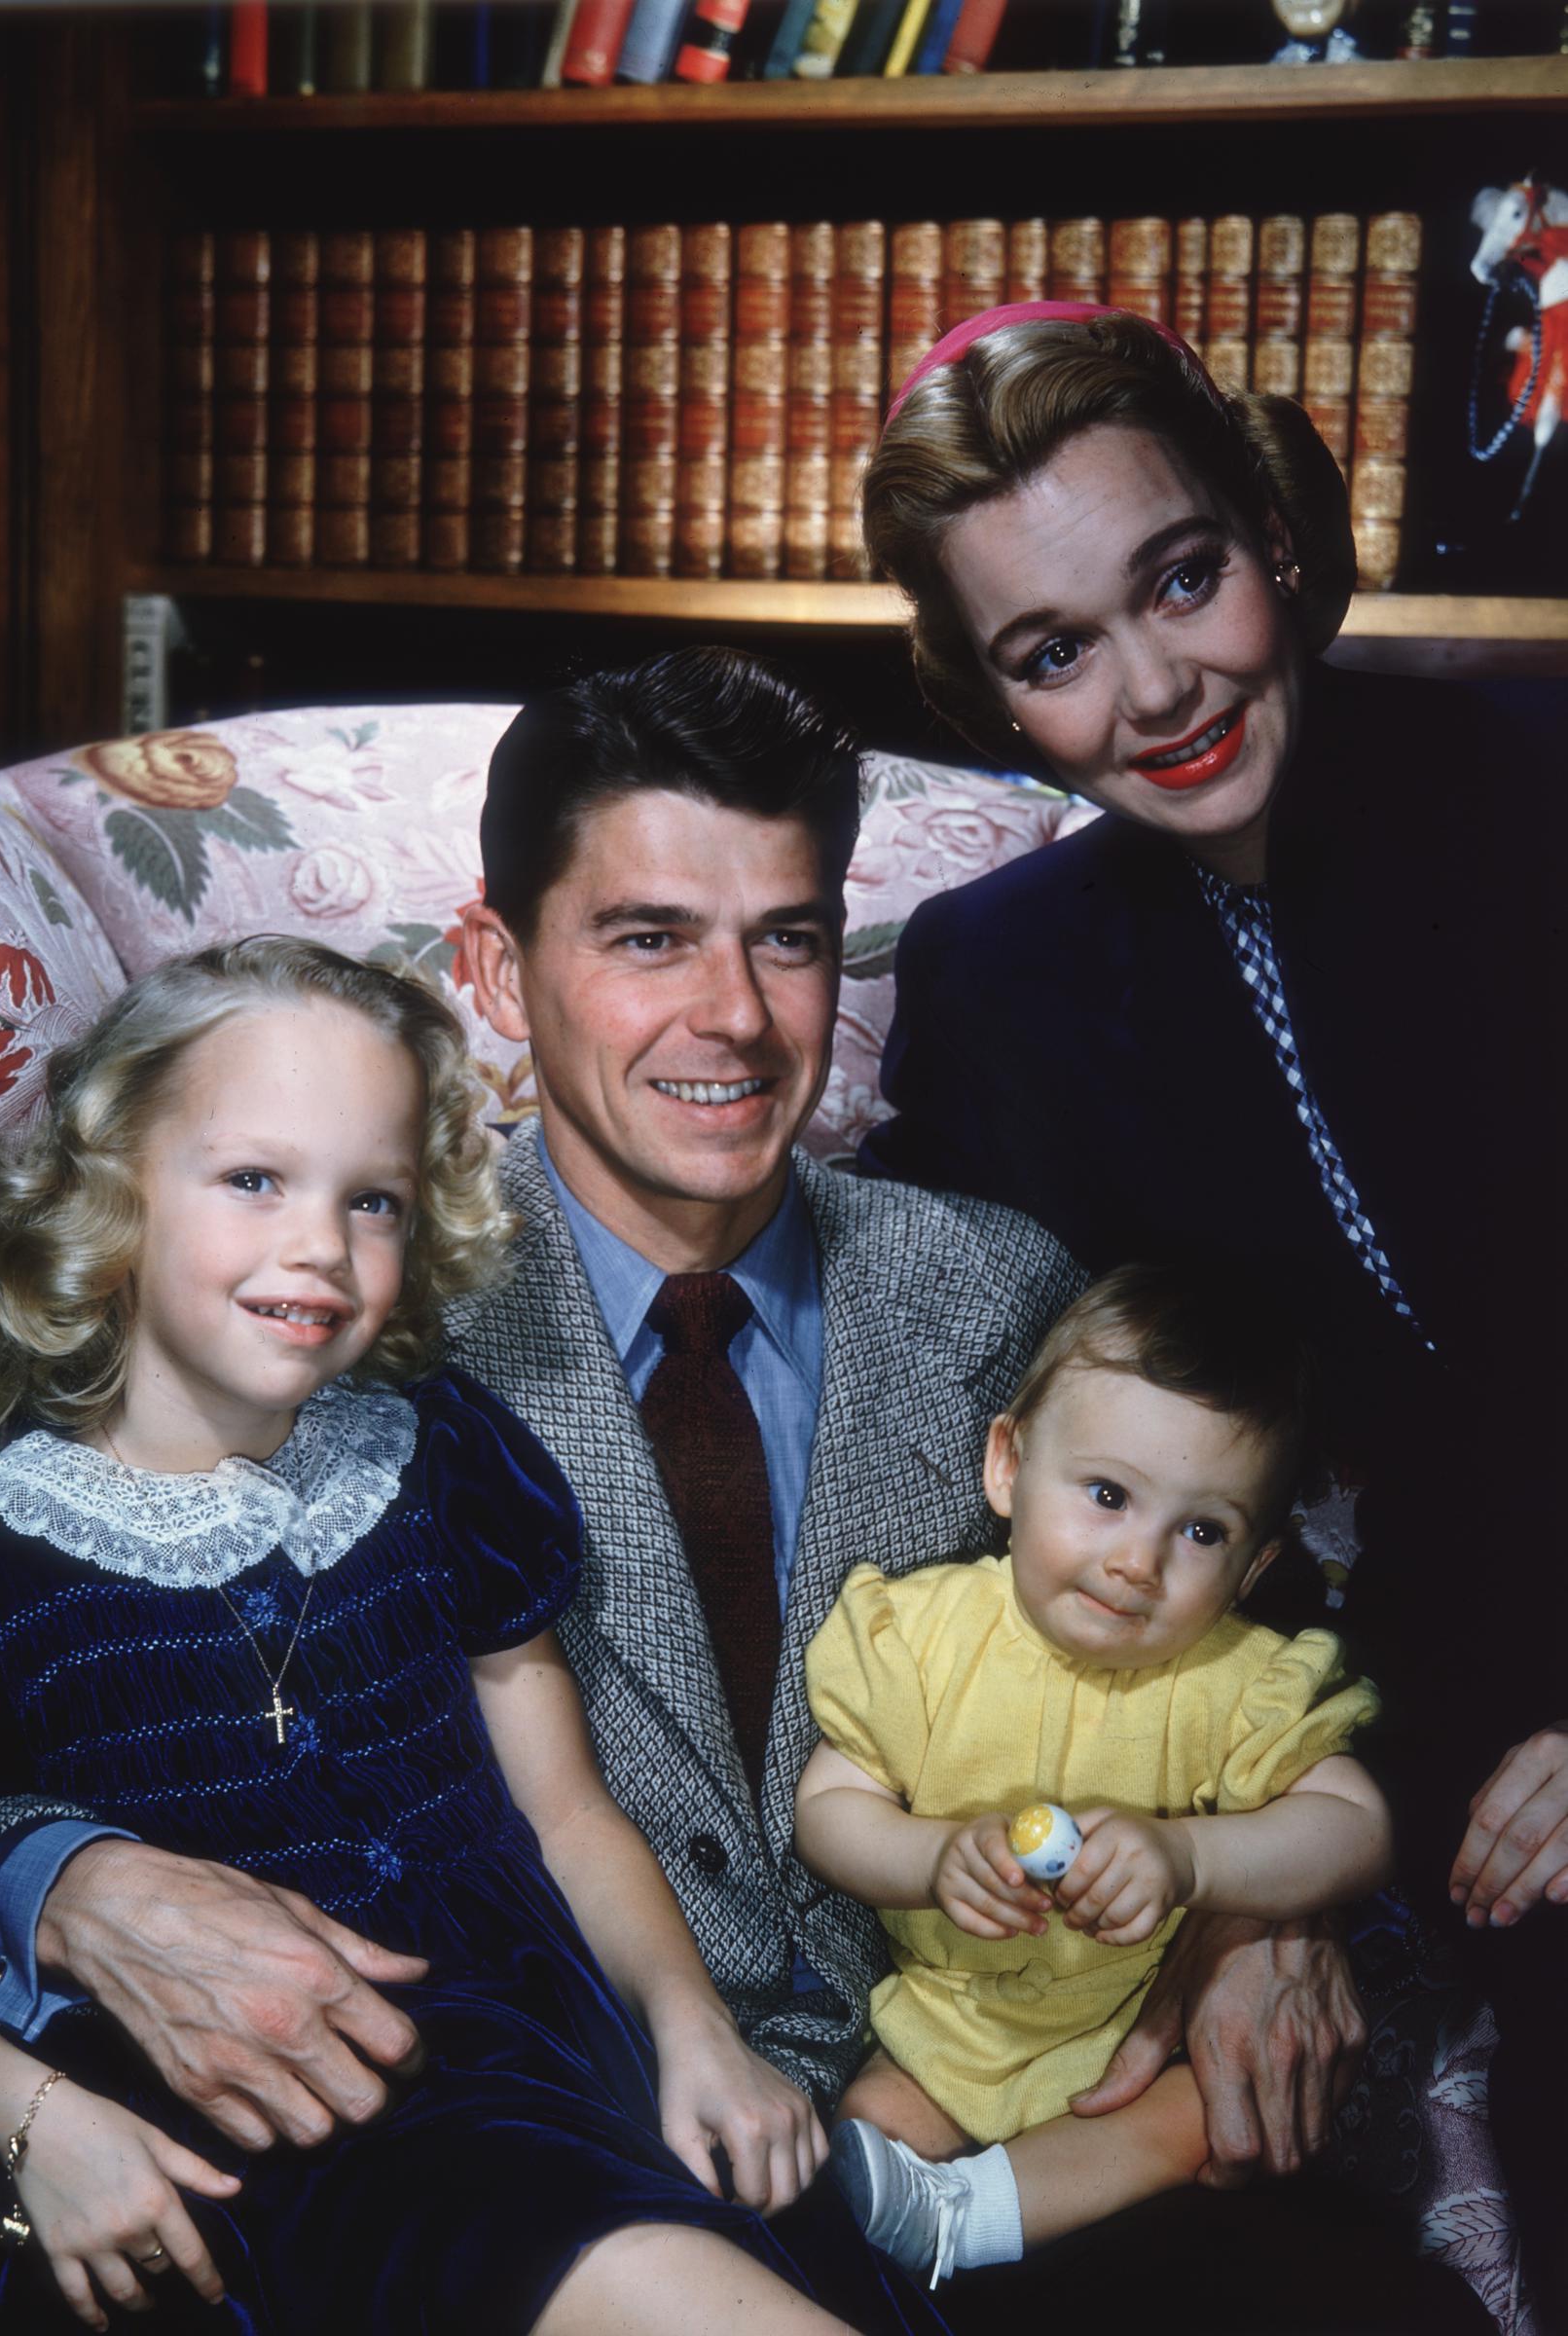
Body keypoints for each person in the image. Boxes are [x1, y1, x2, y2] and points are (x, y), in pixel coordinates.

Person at [0, 654, 1486, 2334]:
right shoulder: (340, 1320)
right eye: (645, 938)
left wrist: (1239, 1925)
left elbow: (1243, 1648)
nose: (735, 1017)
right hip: (588, 2149)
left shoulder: (995, 1295)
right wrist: (65, 1880)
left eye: (785, 937)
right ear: (496, 962)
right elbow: (86, 1657)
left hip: (986, 2126)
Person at [857, 302, 1568, 2318]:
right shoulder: (997, 979)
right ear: (991, 696)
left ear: (1271, 529)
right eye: (1054, 651)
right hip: (1419, 1718)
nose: (1159, 689)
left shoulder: (1542, 778)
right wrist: (1263, 1873)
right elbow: (1086, 1459)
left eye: (1182, 576)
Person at [0, 935, 945, 2336]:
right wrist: (27, 2116)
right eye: (253, 1179)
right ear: (109, 1187)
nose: (321, 1246)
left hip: (531, 2027)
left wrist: (695, 2027)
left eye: (373, 1200)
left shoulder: (436, 1455)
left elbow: (566, 1811)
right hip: (262, 2107)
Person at [795, 1265, 1389, 2287]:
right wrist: (933, 1857)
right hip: (956, 2021)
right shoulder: (924, 1635)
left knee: (1217, 2108)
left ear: (1254, 1568)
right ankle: (932, 2231)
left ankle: (968, 2222)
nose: (1138, 1562)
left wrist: (1188, 1853)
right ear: (1007, 1469)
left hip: (1136, 2031)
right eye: (1107, 1496)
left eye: (1202, 1531)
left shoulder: (1235, 1683)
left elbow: (1356, 1826)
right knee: (864, 2133)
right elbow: (829, 1809)